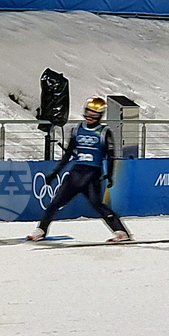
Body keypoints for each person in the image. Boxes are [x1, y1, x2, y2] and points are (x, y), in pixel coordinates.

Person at [28, 96, 131, 242]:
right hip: (77, 173)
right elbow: (68, 154)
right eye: (88, 113)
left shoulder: (104, 132)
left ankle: (120, 232)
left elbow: (110, 156)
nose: (89, 117)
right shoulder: (77, 130)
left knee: (97, 205)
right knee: (55, 202)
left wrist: (110, 175)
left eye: (94, 115)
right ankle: (41, 230)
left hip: (92, 174)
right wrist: (55, 172)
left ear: (100, 116)